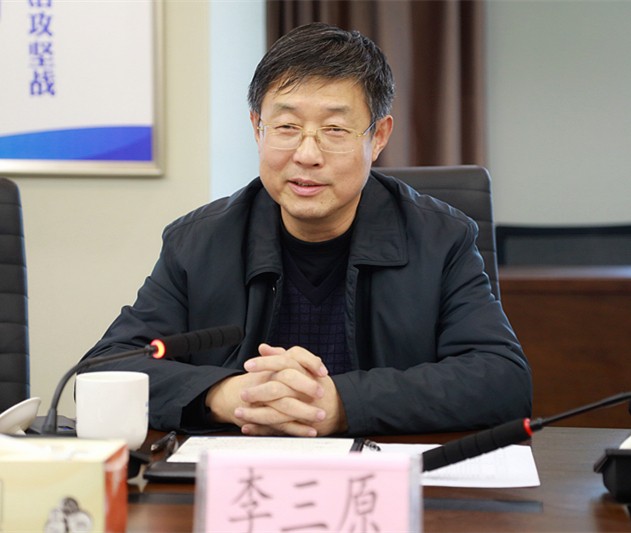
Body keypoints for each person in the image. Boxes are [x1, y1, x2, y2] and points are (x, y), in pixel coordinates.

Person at [83, 22, 532, 437]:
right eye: (287, 127)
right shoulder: (198, 242)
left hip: (382, 478)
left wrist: (340, 403)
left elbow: (503, 379)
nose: (307, 154)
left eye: (335, 129)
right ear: (257, 129)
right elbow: (103, 368)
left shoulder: (442, 239)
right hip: (243, 478)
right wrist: (227, 395)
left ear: (378, 137)